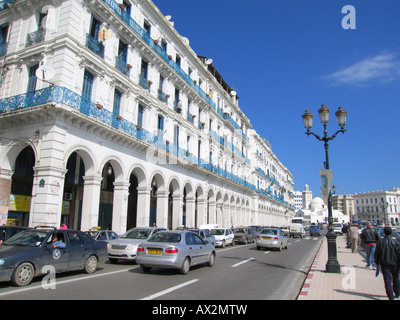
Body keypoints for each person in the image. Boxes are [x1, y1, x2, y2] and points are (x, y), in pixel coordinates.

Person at [374, 227, 400, 300]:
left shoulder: (380, 242)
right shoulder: (395, 242)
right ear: (391, 233)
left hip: (384, 263)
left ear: (384, 233)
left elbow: (376, 254)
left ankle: (391, 296)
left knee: (387, 280)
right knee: (396, 278)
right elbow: (398, 253)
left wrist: (377, 263)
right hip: (394, 263)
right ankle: (397, 293)